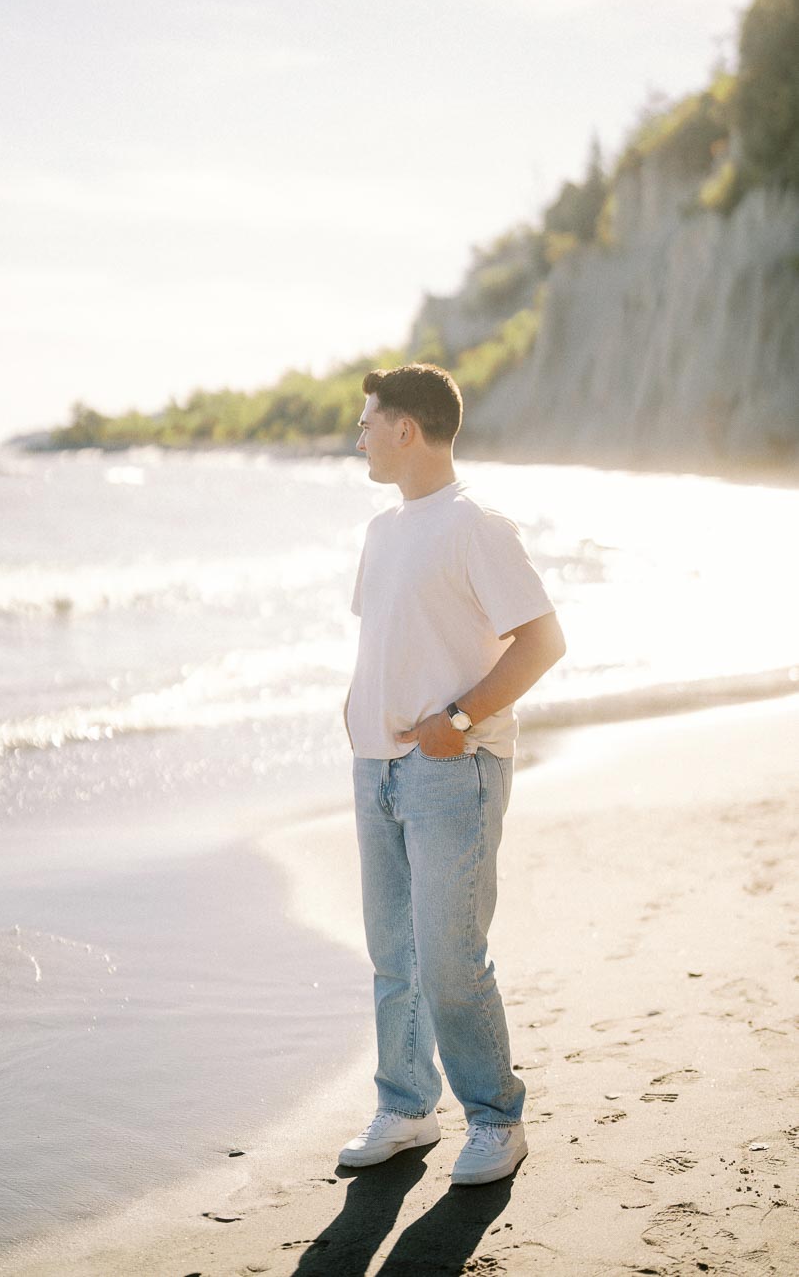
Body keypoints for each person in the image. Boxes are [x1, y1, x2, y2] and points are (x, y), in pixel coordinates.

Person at [340, 363, 565, 1186]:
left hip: (453, 769)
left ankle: (497, 1118)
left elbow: (543, 643)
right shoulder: (381, 531)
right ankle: (406, 1108)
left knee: (449, 959)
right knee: (393, 957)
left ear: (406, 428)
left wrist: (458, 721)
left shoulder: (478, 526)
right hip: (377, 767)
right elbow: (391, 635)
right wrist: (357, 709)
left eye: (368, 422)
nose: (359, 437)